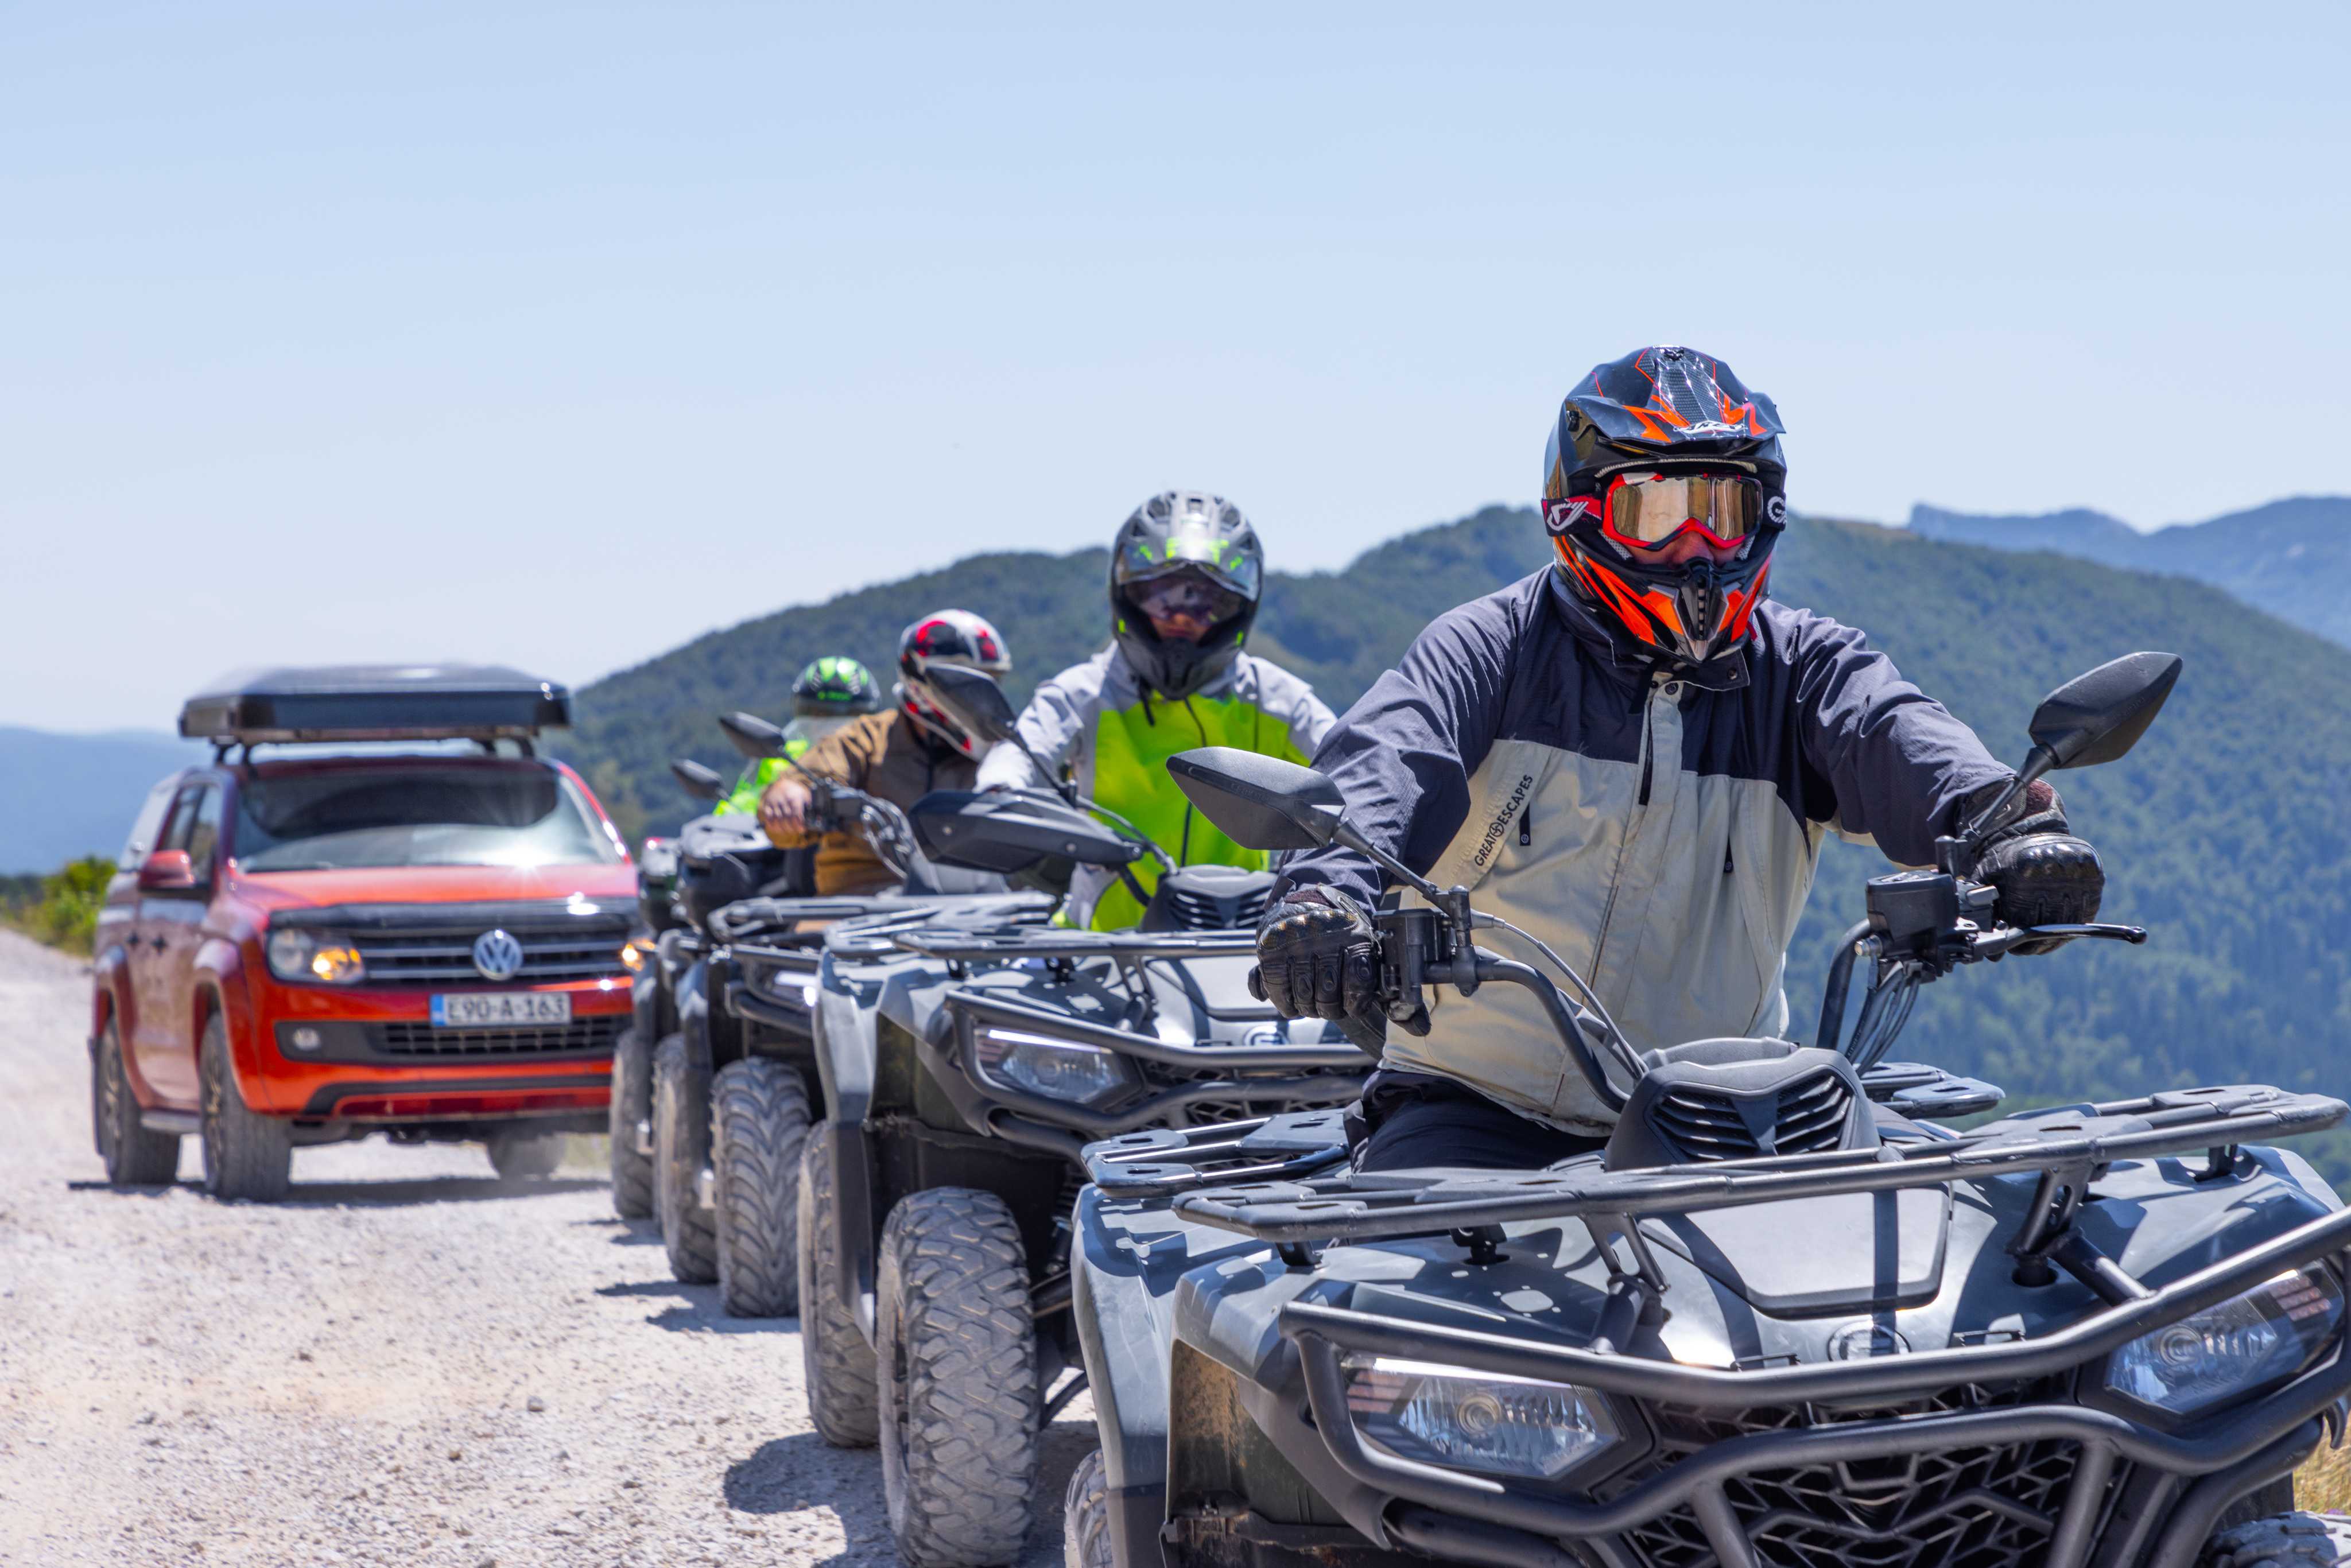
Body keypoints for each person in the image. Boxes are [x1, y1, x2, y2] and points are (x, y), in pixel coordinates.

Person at [1250, 346, 2105, 1171]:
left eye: (1723, 511)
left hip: (1731, 1115)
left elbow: (1897, 731)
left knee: (1922, 1259)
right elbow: (1379, 766)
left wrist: (2013, 827)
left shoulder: (1800, 669)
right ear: (1578, 514)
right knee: (1395, 1298)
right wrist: (1324, 898)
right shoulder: (1493, 652)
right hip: (1479, 1110)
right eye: (1658, 512)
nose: (1698, 547)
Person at [976, 490, 1336, 928]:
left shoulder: (1275, 697)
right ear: (1127, 594)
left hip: (1238, 950)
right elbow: (1023, 750)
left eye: (1207, 603)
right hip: (1101, 951)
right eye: (1163, 599)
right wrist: (997, 792)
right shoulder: (1084, 691)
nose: (1183, 618)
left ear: (1238, 609)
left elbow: (1351, 767)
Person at [758, 611, 1010, 896]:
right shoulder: (869, 738)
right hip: (859, 907)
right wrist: (792, 794)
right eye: (966, 686)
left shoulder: (1004, 756)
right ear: (921, 684)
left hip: (976, 910)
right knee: (810, 934)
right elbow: (823, 768)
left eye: (989, 684)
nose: (980, 698)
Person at [716, 656, 884, 817]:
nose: (831, 732)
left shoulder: (882, 759)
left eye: (849, 719)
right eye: (818, 715)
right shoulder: (778, 756)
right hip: (780, 843)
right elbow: (741, 804)